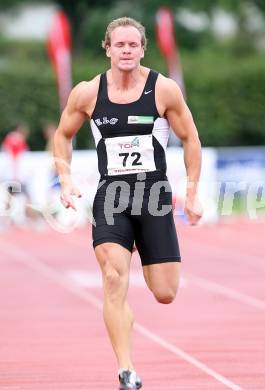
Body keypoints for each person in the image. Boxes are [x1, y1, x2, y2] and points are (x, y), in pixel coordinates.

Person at [53, 17, 202, 390]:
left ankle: (141, 253)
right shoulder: (87, 93)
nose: (126, 51)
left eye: (132, 45)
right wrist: (66, 178)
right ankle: (126, 370)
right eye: (119, 45)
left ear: (142, 49)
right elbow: (62, 136)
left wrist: (194, 190)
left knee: (165, 293)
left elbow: (191, 138)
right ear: (107, 48)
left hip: (153, 197)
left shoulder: (163, 89)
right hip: (111, 197)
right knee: (113, 278)